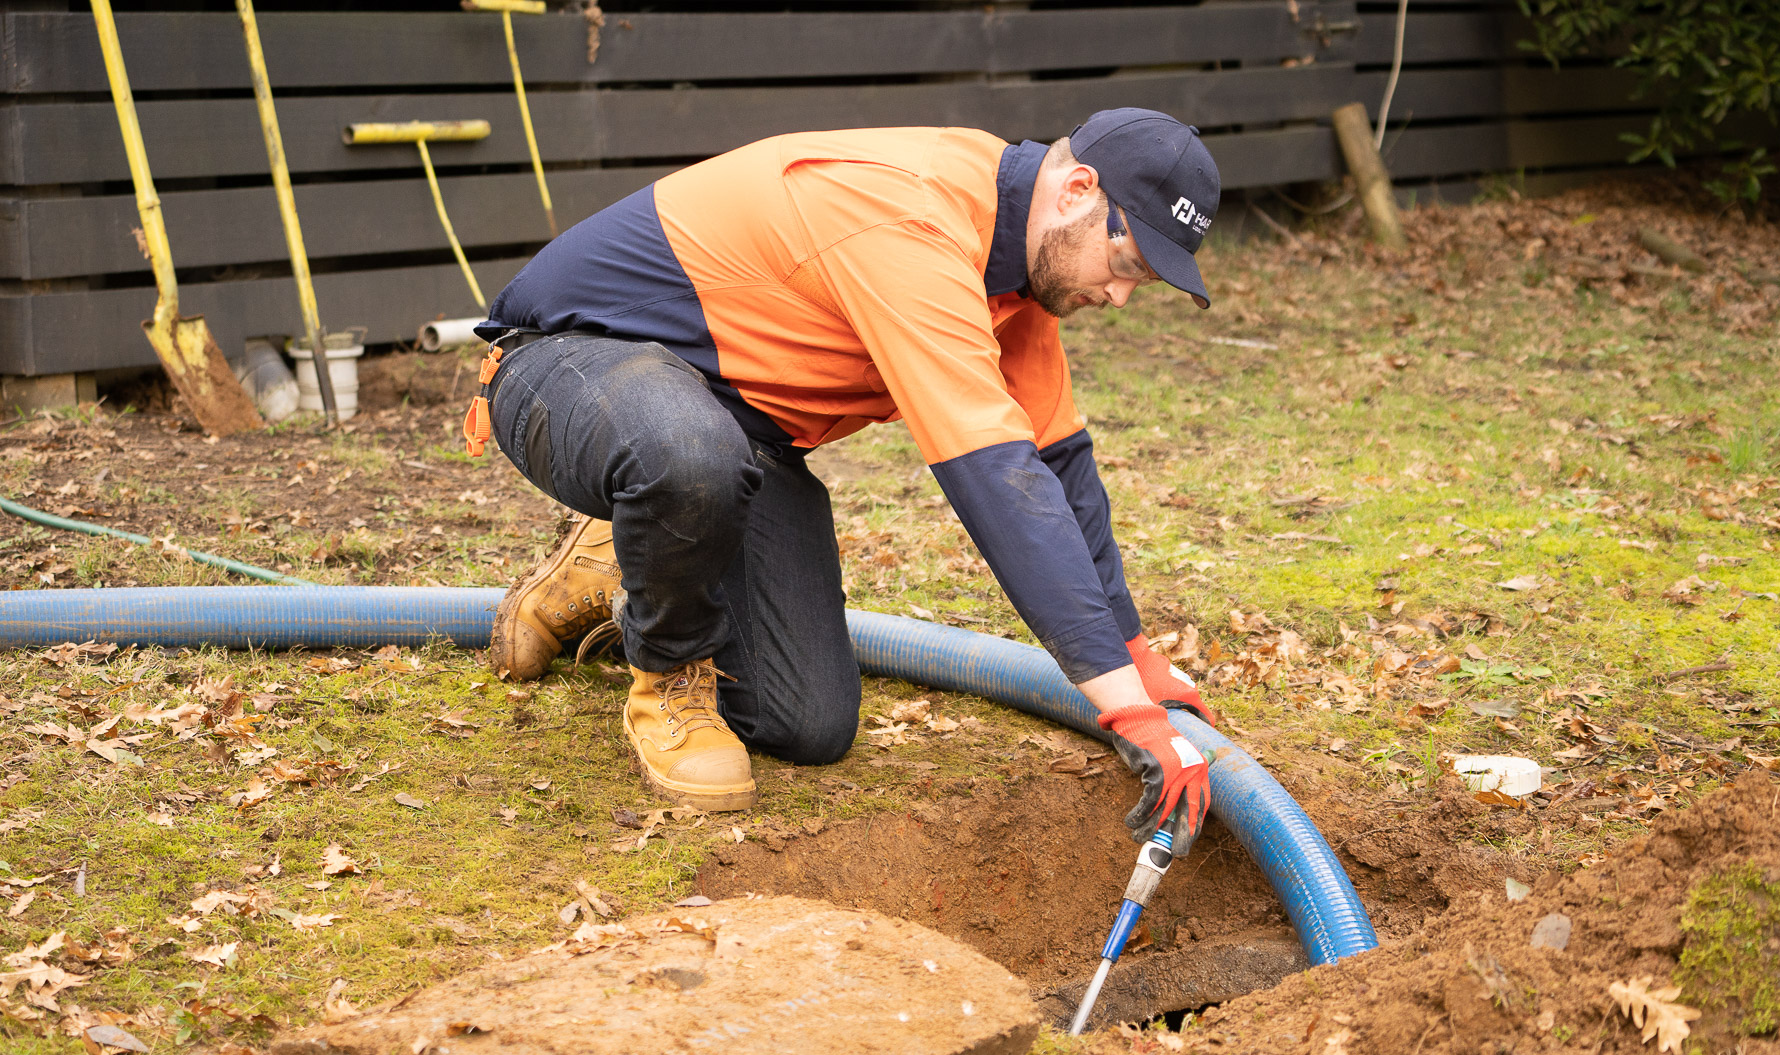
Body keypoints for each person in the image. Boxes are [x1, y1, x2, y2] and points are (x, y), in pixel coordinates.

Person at [466, 107, 1221, 857]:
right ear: (1077, 190)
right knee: (686, 455)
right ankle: (667, 675)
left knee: (807, 722)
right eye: (1125, 266)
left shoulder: (1016, 271)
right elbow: (997, 479)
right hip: (566, 361)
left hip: (733, 431)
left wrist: (1133, 655)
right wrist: (1126, 713)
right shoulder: (912, 217)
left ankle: (625, 554)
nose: (1120, 295)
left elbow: (1057, 466)